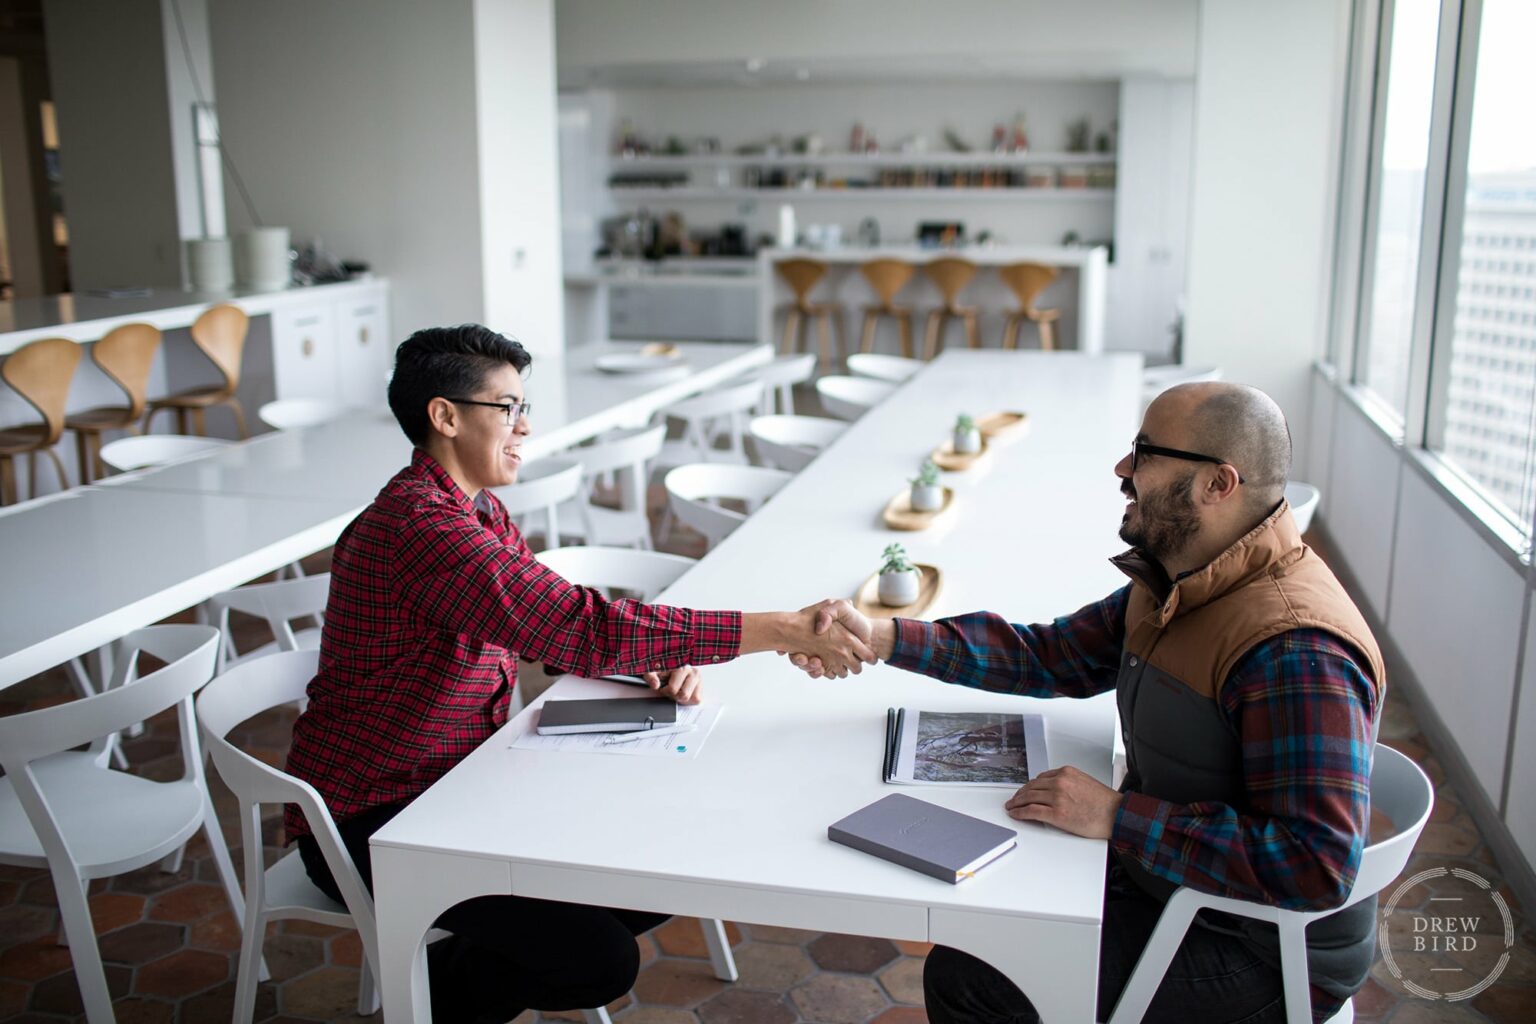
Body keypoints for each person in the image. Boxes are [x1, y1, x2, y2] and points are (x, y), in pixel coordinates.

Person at [284, 324, 874, 1023]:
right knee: (597, 960)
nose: (524, 426)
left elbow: (546, 627)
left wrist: (653, 659)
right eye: (507, 408)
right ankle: (421, 996)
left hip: (466, 780)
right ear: (444, 416)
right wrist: (775, 630)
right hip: (375, 818)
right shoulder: (423, 529)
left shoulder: (473, 509)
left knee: (681, 858)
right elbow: (577, 626)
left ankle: (435, 975)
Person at [793, 382, 1384, 1023]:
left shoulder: (1295, 649)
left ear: (1219, 484)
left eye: (1145, 453)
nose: (1123, 470)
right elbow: (1048, 656)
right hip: (1187, 888)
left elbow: (1313, 866)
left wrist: (1119, 817)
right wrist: (885, 637)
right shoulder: (1186, 576)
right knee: (995, 906)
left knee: (975, 979)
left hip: (1263, 948)